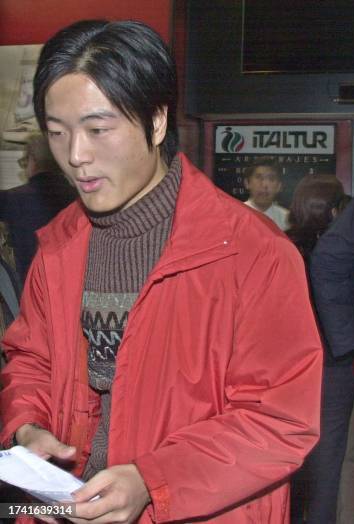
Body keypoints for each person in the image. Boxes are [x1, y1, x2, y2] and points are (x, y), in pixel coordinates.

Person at [0, 20, 323, 523]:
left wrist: (152, 480)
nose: (76, 156)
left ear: (155, 122)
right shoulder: (61, 243)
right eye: (57, 133)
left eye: (98, 129)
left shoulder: (251, 253)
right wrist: (28, 428)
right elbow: (30, 360)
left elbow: (279, 419)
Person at [309, 181, 354, 524]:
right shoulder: (316, 251)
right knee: (346, 454)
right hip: (342, 362)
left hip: (346, 358)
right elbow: (331, 259)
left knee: (346, 454)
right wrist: (353, 338)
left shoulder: (286, 244)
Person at [285, 175, 352, 524]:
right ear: (330, 209)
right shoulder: (344, 251)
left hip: (286, 371)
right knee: (328, 467)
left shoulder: (279, 246)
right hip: (330, 366)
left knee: (290, 462)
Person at [0, 133, 76, 287]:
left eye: (24, 162)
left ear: (33, 161)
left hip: (33, 290)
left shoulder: (12, 199)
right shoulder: (80, 197)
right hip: (74, 290)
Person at [243, 157, 289, 230]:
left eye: (271, 179)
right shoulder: (234, 216)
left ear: (279, 186)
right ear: (247, 183)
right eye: (259, 178)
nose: (264, 184)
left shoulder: (287, 220)